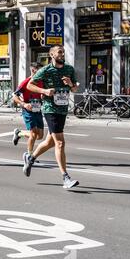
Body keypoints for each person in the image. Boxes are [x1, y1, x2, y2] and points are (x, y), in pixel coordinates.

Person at [23, 45, 80, 189]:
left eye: (63, 52)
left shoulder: (69, 69)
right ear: (52, 54)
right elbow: (30, 85)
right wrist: (44, 90)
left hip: (63, 109)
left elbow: (74, 89)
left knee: (50, 142)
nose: (62, 54)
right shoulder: (45, 70)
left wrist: (71, 83)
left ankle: (31, 158)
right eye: (59, 52)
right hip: (50, 109)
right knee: (60, 143)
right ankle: (65, 178)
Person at [12, 62, 44, 158]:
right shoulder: (25, 82)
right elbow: (14, 96)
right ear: (33, 70)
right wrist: (24, 104)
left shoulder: (42, 81)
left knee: (40, 136)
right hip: (28, 111)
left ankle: (19, 133)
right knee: (33, 134)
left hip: (38, 110)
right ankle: (29, 156)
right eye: (40, 70)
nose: (42, 72)